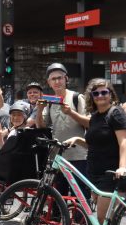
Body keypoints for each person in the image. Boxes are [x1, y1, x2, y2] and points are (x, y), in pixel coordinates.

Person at [64, 78, 126, 225]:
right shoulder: (96, 117)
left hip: (112, 173)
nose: (101, 96)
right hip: (95, 172)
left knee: (102, 219)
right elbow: (93, 143)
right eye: (96, 93)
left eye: (104, 92)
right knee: (102, 219)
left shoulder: (116, 113)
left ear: (111, 94)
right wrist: (77, 139)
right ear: (92, 96)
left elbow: (124, 142)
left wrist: (122, 167)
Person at [35, 63, 90, 199]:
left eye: (60, 78)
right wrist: (40, 110)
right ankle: (61, 220)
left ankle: (81, 221)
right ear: (49, 82)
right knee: (59, 197)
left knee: (81, 197)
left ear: (66, 79)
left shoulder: (77, 98)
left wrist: (71, 112)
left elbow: (89, 122)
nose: (57, 81)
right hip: (58, 157)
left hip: (79, 155)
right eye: (53, 79)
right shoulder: (50, 101)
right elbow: (42, 126)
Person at [0, 101, 29, 181]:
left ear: (25, 117)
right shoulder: (25, 131)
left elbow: (3, 153)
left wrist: (0, 138)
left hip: (10, 171)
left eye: (19, 115)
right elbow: (4, 152)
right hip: (22, 171)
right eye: (13, 115)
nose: (16, 117)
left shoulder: (16, 133)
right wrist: (0, 138)